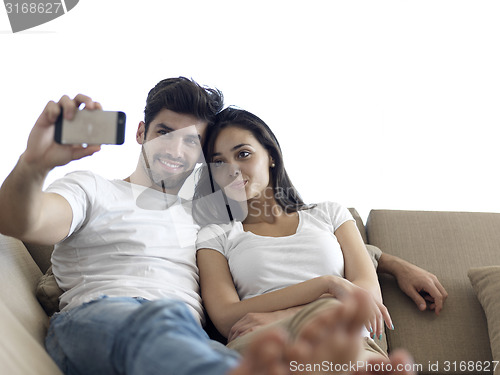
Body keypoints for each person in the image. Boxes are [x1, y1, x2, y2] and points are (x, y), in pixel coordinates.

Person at [0, 77, 442, 375]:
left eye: (192, 140)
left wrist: (392, 263)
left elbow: (305, 230)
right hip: (105, 315)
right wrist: (33, 166)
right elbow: (24, 219)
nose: (176, 148)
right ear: (139, 132)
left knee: (201, 341)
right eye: (164, 131)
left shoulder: (205, 215)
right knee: (166, 329)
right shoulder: (91, 188)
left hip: (187, 335)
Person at [193, 106, 446, 363]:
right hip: (266, 346)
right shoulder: (215, 235)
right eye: (219, 162)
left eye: (243, 154)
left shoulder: (330, 215)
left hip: (343, 343)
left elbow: (366, 299)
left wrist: (283, 315)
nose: (232, 169)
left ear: (270, 155)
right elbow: (226, 317)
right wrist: (329, 286)